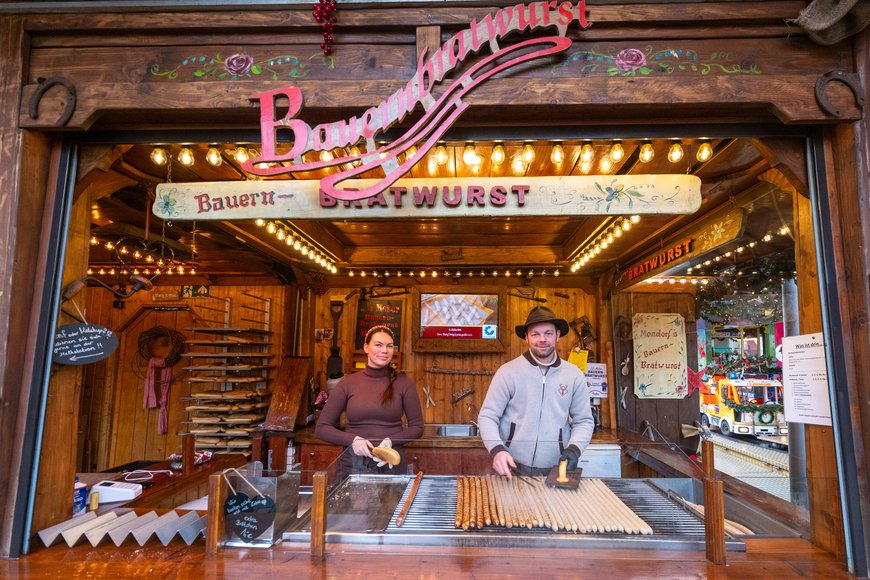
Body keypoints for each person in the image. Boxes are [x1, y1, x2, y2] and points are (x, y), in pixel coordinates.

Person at [478, 306, 594, 477]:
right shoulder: (508, 372)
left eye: (548, 333)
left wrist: (574, 449)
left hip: (557, 468)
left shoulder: (574, 375)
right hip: (511, 466)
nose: (542, 339)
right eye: (535, 334)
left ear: (557, 336)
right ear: (526, 338)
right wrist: (497, 449)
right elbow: (488, 416)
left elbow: (584, 421)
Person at [315, 325, 424, 483]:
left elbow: (417, 428)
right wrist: (353, 440)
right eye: (378, 345)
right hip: (353, 464)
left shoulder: (403, 383)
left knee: (392, 508)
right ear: (366, 347)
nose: (384, 350)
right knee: (350, 508)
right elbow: (322, 428)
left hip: (391, 463)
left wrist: (391, 441)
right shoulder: (348, 383)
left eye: (389, 346)